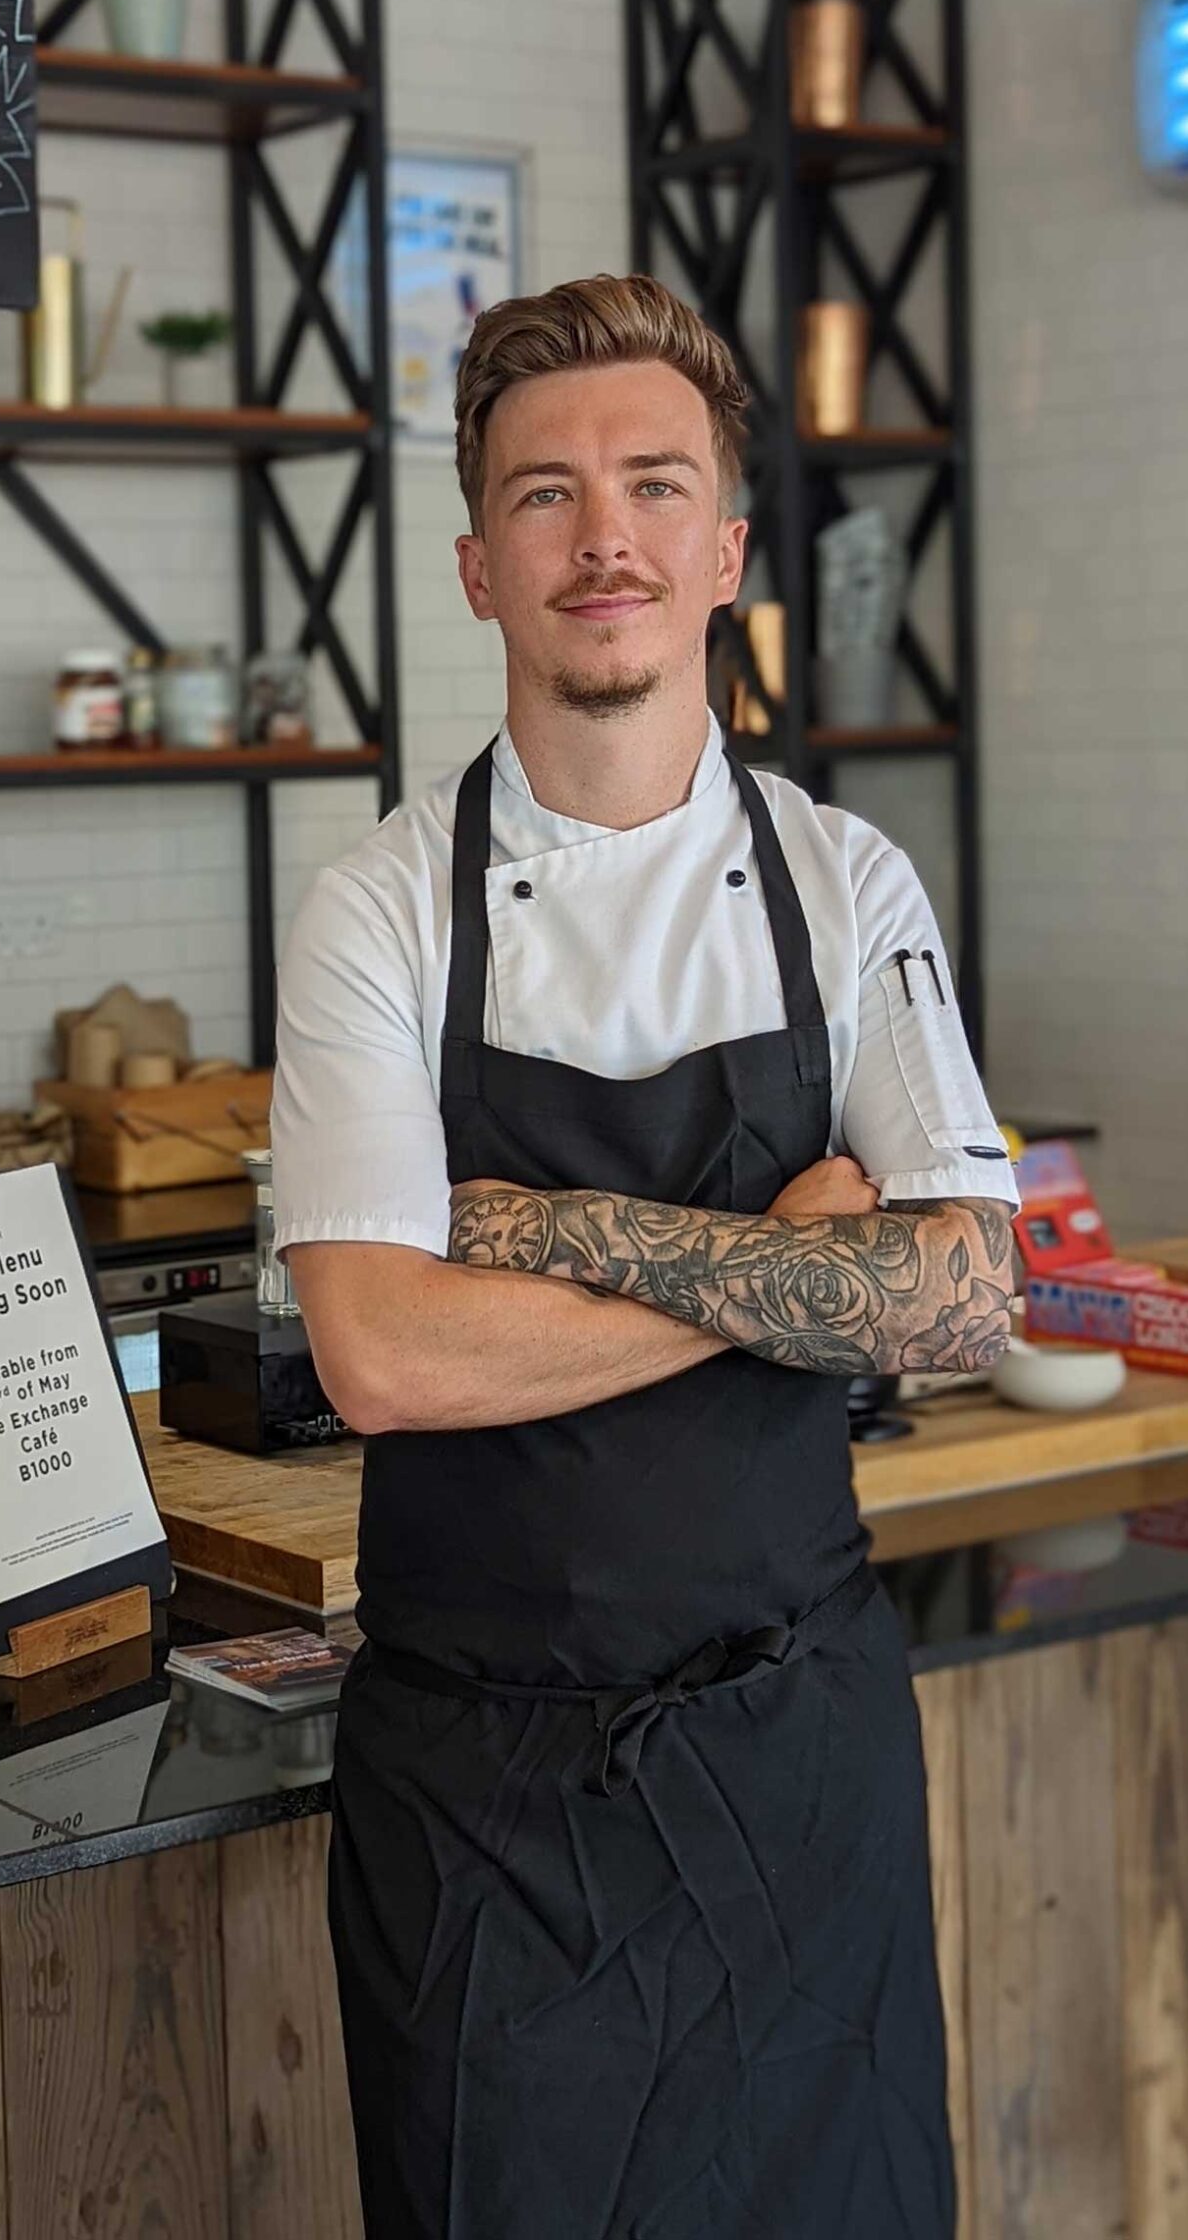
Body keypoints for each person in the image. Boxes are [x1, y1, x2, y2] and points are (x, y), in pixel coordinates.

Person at [270, 273, 1017, 2238]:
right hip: (484, 1799)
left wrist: (528, 1242)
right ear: (477, 568)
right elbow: (382, 1357)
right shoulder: (378, 909)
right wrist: (775, 1267)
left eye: (653, 484)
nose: (603, 535)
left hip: (795, 1762)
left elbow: (959, 1293)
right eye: (545, 494)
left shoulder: (844, 882)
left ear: (726, 552)